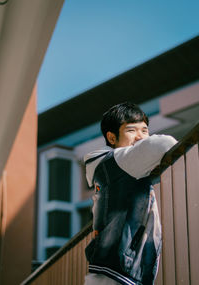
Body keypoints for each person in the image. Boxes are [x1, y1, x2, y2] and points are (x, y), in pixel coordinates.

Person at [84, 102, 177, 285]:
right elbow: (165, 144)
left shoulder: (111, 168)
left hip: (110, 271)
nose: (141, 137)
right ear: (112, 137)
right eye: (132, 130)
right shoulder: (119, 161)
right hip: (116, 273)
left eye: (145, 130)